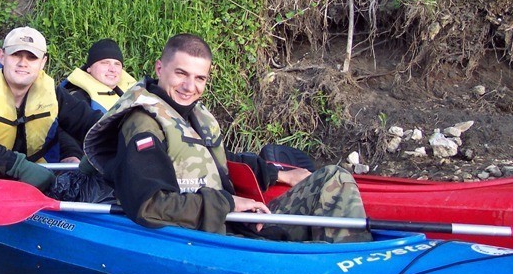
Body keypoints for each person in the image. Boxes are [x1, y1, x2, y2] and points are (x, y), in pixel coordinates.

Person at [83, 33, 370, 243]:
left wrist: (277, 175)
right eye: (181, 73)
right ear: (160, 68)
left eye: (200, 78)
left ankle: (351, 260)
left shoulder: (189, 113)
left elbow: (210, 159)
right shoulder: (142, 124)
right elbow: (150, 205)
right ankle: (340, 273)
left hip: (232, 221)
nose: (189, 87)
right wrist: (231, 204)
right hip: (209, 234)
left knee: (333, 177)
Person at [0, 26, 103, 194]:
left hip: (35, 181)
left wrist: (98, 152)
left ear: (42, 62)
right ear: (2, 56)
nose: (23, 63)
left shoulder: (53, 93)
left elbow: (94, 124)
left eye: (32, 57)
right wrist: (16, 166)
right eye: (16, 54)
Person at [61, 38, 137, 112]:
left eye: (117, 64)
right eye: (105, 63)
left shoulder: (132, 91)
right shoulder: (76, 101)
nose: (112, 69)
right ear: (89, 68)